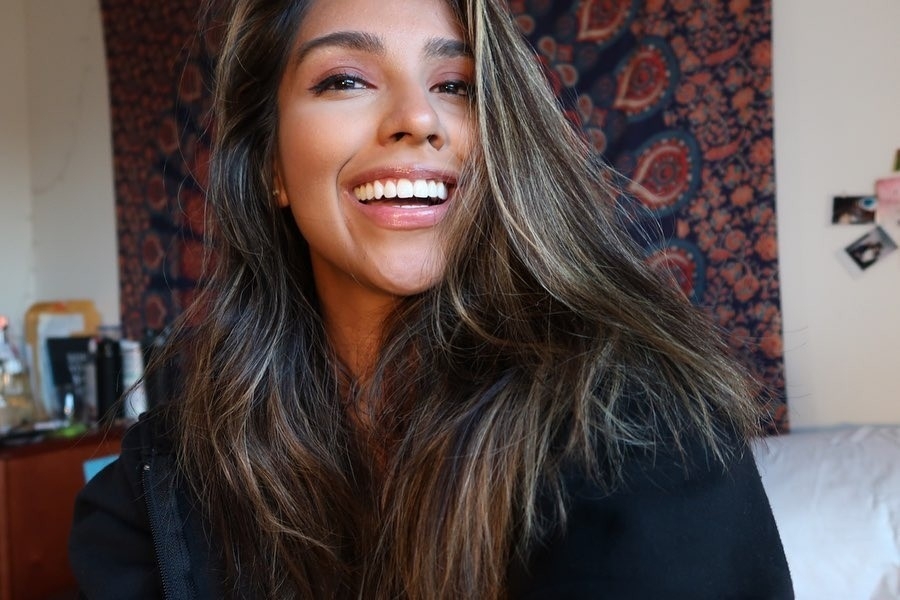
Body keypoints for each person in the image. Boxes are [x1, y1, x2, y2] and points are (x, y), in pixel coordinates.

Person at [69, 0, 794, 597]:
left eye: (456, 86)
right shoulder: (157, 491)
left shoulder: (638, 427)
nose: (418, 118)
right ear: (270, 166)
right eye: (345, 80)